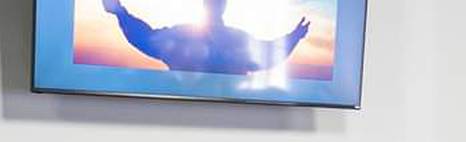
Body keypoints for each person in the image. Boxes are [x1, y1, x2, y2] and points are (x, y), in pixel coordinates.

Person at [102, 0, 310, 75]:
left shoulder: (238, 39)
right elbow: (145, 39)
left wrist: (120, 13)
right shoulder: (183, 35)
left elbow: (145, 39)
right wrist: (120, 13)